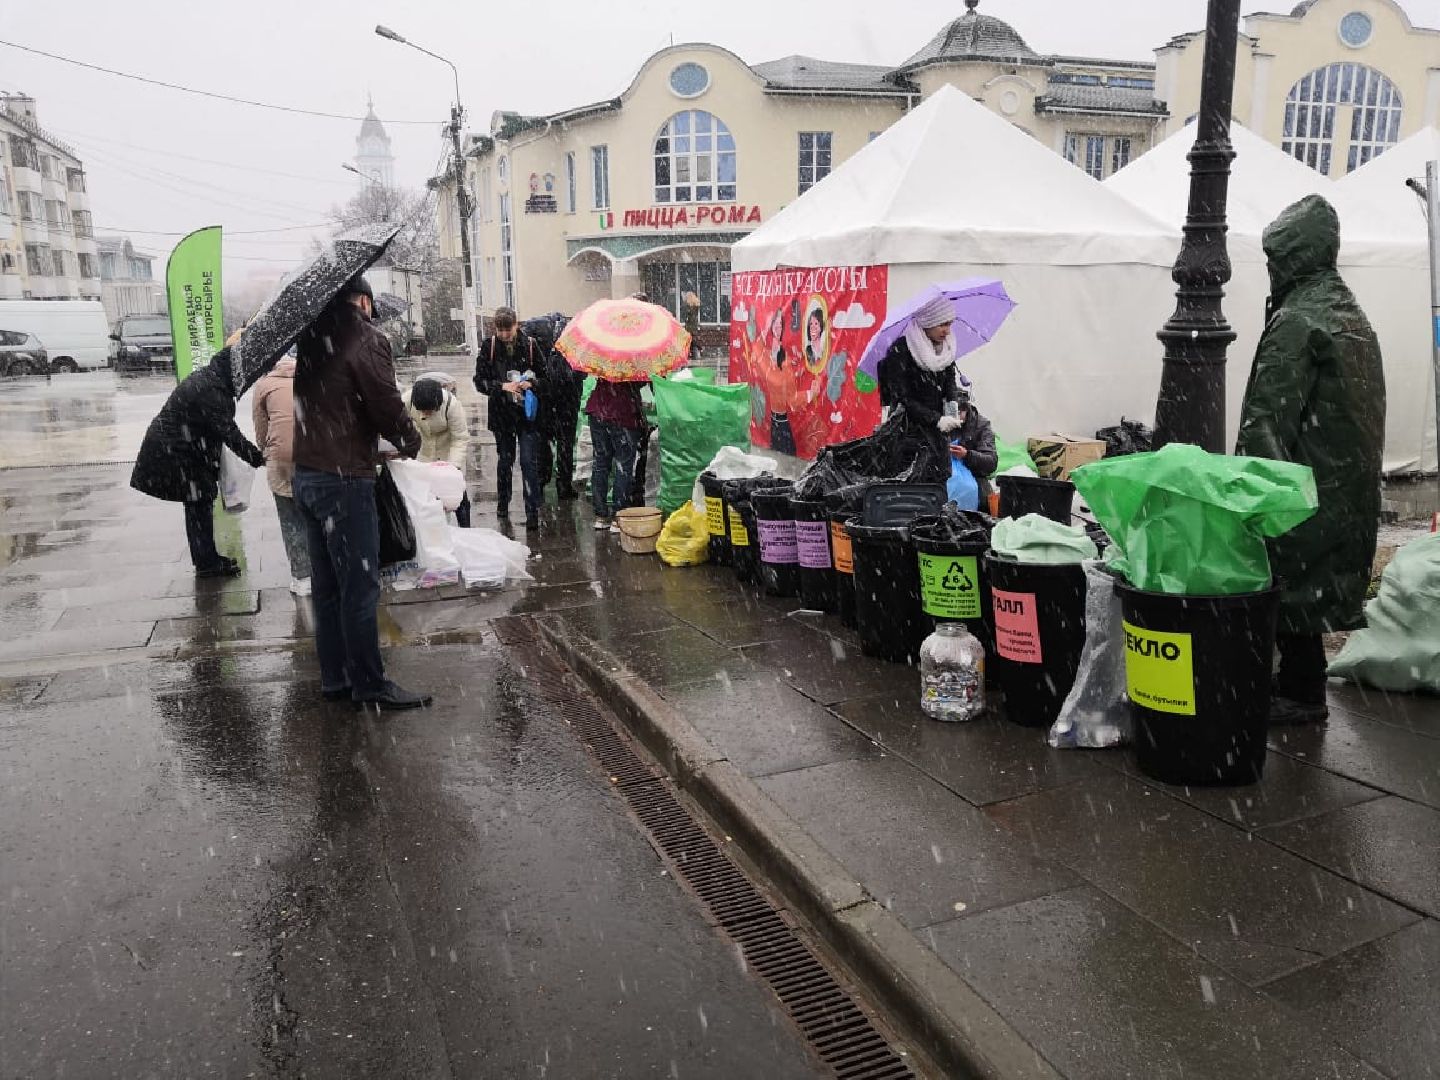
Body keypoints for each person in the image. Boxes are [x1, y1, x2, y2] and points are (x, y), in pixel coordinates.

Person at [1236, 194, 1386, 725]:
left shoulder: (1298, 319)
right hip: (1342, 482)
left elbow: (1266, 420)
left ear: (1292, 259)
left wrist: (1255, 496)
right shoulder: (1346, 312)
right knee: (1313, 582)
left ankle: (1300, 693)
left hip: (1305, 481)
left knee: (1289, 577)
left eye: (1276, 260)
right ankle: (1302, 681)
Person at [292, 274, 429, 712]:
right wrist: (409, 438)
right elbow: (385, 403)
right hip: (345, 479)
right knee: (360, 587)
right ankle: (371, 682)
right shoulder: (365, 337)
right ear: (364, 302)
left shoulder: (312, 338)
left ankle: (336, 678)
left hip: (308, 474)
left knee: (326, 586)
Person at [130, 347, 265, 578]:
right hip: (177, 451)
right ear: (232, 371)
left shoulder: (212, 379)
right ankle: (207, 563)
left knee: (199, 501)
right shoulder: (211, 389)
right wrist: (256, 457)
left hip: (183, 447)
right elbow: (228, 431)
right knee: (198, 502)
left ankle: (206, 558)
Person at [474, 306, 548, 529]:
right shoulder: (490, 347)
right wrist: (501, 386)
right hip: (502, 414)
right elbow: (479, 381)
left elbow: (546, 378)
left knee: (528, 462)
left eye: (508, 329)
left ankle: (532, 511)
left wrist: (531, 384)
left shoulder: (531, 346)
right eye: (500, 330)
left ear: (517, 325)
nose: (505, 334)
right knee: (505, 460)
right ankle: (503, 504)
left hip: (526, 414)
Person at [878, 295, 963, 482]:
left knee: (938, 478)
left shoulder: (946, 348)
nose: (947, 331)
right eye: (942, 324)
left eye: (950, 324)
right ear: (928, 322)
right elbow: (901, 397)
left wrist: (952, 405)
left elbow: (949, 379)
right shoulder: (902, 350)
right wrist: (935, 419)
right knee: (911, 482)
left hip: (936, 434)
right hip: (908, 431)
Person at [252, 354, 312, 594]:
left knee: (290, 519)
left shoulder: (264, 385)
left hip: (282, 458)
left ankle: (302, 577)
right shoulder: (312, 377)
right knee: (317, 517)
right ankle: (324, 571)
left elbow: (260, 427)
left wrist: (266, 451)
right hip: (316, 455)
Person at [402, 377, 473, 527]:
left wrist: (453, 467)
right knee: (424, 495)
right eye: (422, 411)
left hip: (447, 450)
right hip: (424, 451)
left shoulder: (451, 406)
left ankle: (466, 528)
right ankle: (429, 530)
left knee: (456, 494)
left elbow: (460, 438)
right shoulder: (407, 401)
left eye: (429, 411)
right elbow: (395, 425)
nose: (425, 414)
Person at [586, 377, 645, 531]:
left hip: (598, 410)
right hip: (623, 413)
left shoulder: (603, 356)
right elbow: (639, 382)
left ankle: (600, 515)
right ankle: (618, 516)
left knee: (601, 463)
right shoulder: (634, 359)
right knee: (623, 465)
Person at [948, 386, 998, 503]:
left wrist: (967, 455)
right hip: (944, 474)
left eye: (957, 413)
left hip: (973, 474)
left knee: (981, 497)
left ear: (966, 410)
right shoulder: (942, 422)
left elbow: (991, 462)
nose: (952, 418)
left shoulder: (981, 426)